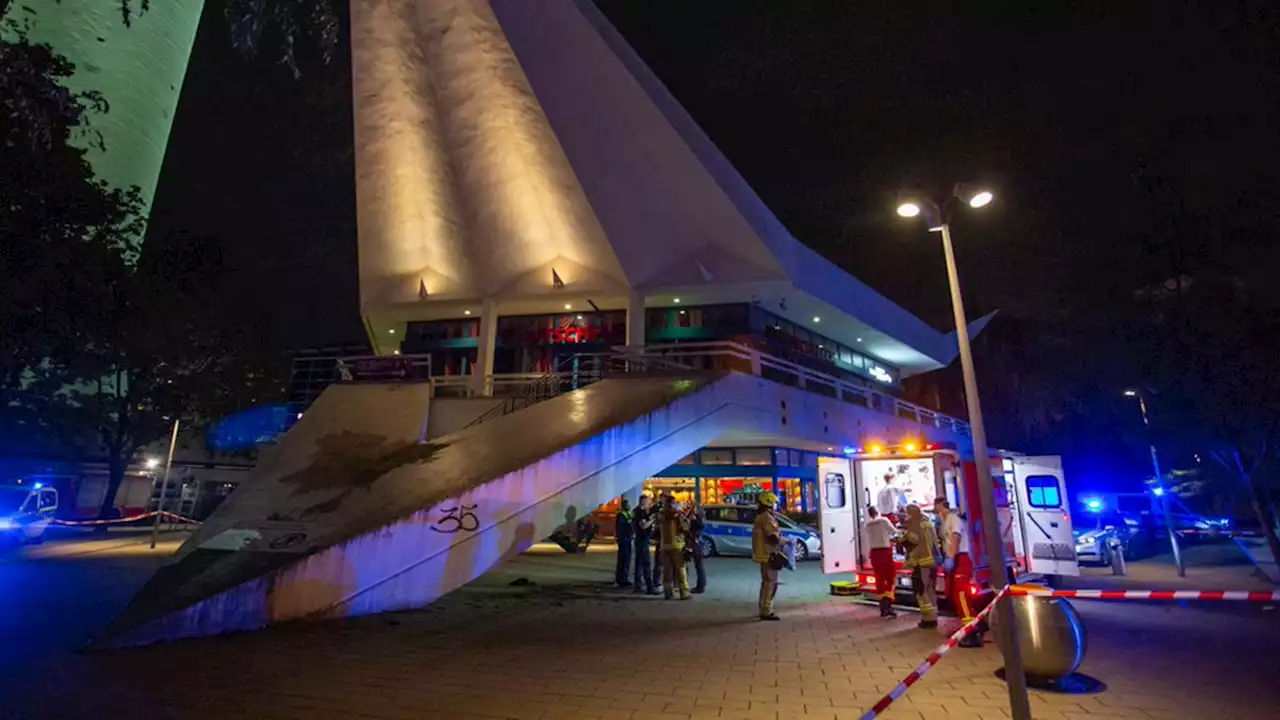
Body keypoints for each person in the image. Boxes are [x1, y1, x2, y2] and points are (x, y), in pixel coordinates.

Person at [934, 498, 980, 647]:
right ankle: (971, 625)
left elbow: (955, 537)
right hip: (954, 558)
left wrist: (951, 557)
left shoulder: (953, 519)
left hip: (961, 558)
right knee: (955, 595)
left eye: (936, 505)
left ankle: (972, 632)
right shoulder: (944, 520)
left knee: (961, 595)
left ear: (940, 505)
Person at [901, 503, 940, 629]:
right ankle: (933, 617)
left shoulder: (916, 525)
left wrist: (903, 537)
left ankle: (928, 619)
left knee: (922, 591)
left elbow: (915, 540)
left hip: (922, 563)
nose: (905, 516)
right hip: (932, 562)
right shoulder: (927, 523)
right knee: (930, 590)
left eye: (907, 513)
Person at [752, 491, 783, 621]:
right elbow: (772, 537)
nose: (776, 506)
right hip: (768, 554)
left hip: (764, 554)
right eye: (774, 503)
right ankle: (767, 611)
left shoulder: (762, 516)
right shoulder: (766, 518)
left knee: (766, 583)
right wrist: (786, 541)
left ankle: (763, 608)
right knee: (770, 583)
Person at [862, 505, 898, 618]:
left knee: (879, 579)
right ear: (878, 511)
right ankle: (888, 605)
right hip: (885, 552)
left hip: (874, 553)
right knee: (890, 578)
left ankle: (882, 606)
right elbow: (894, 531)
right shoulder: (883, 520)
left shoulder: (867, 525)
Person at [658, 495, 692, 600]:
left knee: (667, 571)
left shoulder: (661, 514)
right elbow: (685, 528)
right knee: (680, 570)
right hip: (677, 546)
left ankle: (668, 592)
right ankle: (684, 592)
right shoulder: (677, 514)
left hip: (664, 546)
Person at [632, 494, 658, 595]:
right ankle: (649, 587)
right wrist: (652, 520)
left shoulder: (639, 511)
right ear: (643, 502)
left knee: (639, 563)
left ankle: (638, 585)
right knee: (646, 564)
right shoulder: (639, 512)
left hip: (641, 540)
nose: (648, 504)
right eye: (647, 502)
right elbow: (643, 526)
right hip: (642, 541)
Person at [685, 502, 707, 594]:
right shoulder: (699, 518)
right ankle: (700, 585)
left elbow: (698, 527)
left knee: (697, 565)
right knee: (698, 565)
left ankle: (700, 586)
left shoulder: (696, 519)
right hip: (695, 543)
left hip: (694, 543)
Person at [615, 498, 634, 587]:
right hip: (623, 540)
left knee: (627, 559)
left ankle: (624, 577)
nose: (628, 506)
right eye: (626, 505)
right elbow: (621, 528)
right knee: (623, 559)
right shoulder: (621, 515)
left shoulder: (629, 514)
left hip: (629, 539)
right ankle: (621, 578)